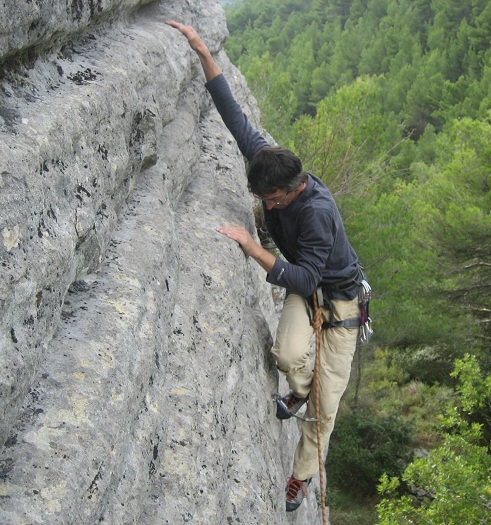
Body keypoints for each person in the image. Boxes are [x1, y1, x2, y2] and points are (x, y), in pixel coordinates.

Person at [165, 20, 367, 513]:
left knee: (327, 407)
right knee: (291, 357)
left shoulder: (316, 213)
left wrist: (253, 250)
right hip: (307, 281)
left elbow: (303, 279)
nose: (267, 206)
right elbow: (233, 115)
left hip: (338, 299)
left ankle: (300, 477)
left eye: (272, 199)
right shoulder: (272, 163)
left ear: (295, 188)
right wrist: (202, 50)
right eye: (262, 197)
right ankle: (296, 394)